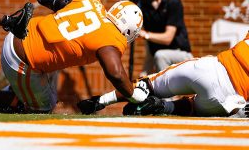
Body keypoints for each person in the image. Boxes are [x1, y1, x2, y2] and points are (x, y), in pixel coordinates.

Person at [0, 0, 148, 113]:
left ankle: (6, 93)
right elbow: (115, 73)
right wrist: (133, 95)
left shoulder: (91, 1)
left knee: (40, 92)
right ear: (130, 29)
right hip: (23, 59)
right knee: (40, 109)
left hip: (23, 33)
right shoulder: (111, 38)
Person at [79, 31, 249, 118]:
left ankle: (99, 101)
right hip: (229, 97)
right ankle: (162, 106)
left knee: (148, 84)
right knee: (193, 108)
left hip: (210, 68)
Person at [139, 0, 193, 74]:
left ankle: (165, 91)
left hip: (179, 53)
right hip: (156, 54)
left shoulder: (173, 2)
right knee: (141, 79)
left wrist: (146, 35)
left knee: (160, 56)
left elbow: (168, 38)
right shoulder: (144, 3)